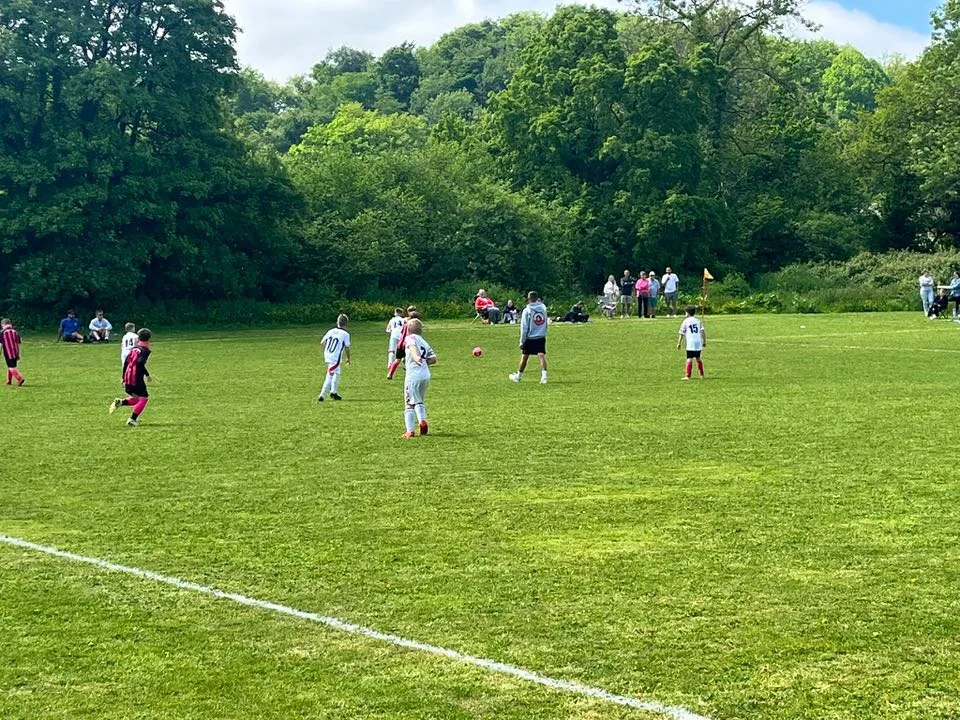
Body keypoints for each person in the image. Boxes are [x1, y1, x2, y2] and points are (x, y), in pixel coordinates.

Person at [401, 317, 437, 438]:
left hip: (413, 376)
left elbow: (412, 347)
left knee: (409, 403)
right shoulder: (424, 342)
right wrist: (423, 361)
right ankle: (422, 420)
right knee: (419, 400)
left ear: (408, 329)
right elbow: (433, 359)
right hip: (425, 375)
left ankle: (410, 431)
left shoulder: (409, 338)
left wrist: (416, 357)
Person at [109, 328, 152, 426]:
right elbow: (140, 363)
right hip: (135, 378)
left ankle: (120, 402)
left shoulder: (134, 349)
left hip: (128, 376)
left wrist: (123, 377)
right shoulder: (145, 350)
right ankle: (132, 419)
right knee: (144, 398)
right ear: (149, 338)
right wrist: (146, 374)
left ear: (138, 338)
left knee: (136, 399)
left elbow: (126, 362)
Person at [510, 291, 548, 384]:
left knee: (525, 356)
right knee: (541, 355)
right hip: (541, 335)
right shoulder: (543, 308)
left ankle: (518, 376)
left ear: (528, 299)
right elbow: (545, 322)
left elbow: (524, 327)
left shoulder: (527, 310)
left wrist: (522, 341)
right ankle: (544, 376)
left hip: (530, 337)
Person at [318, 314, 351, 402]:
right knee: (333, 374)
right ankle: (326, 393)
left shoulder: (331, 331)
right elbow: (347, 347)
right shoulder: (345, 334)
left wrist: (327, 350)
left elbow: (322, 342)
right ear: (346, 323)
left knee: (333, 373)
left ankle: (330, 392)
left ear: (337, 322)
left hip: (328, 354)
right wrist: (348, 358)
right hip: (335, 357)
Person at [387, 306, 418, 380]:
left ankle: (390, 368)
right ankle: (408, 368)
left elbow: (388, 330)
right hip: (405, 341)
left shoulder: (393, 320)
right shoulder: (406, 322)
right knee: (409, 355)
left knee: (395, 355)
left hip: (397, 340)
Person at [677, 305, 706, 380]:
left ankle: (688, 376)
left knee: (689, 358)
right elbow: (702, 331)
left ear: (687, 313)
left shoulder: (685, 321)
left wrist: (679, 343)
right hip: (698, 342)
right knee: (698, 358)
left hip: (690, 343)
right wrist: (704, 341)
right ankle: (702, 375)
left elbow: (681, 333)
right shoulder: (698, 321)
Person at [1, 318, 25, 386]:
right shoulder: (15, 332)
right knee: (12, 366)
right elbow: (18, 343)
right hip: (15, 351)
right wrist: (18, 353)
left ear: (3, 324)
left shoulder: (2, 332)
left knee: (11, 367)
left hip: (8, 352)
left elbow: (1, 344)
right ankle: (9, 380)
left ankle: (19, 378)